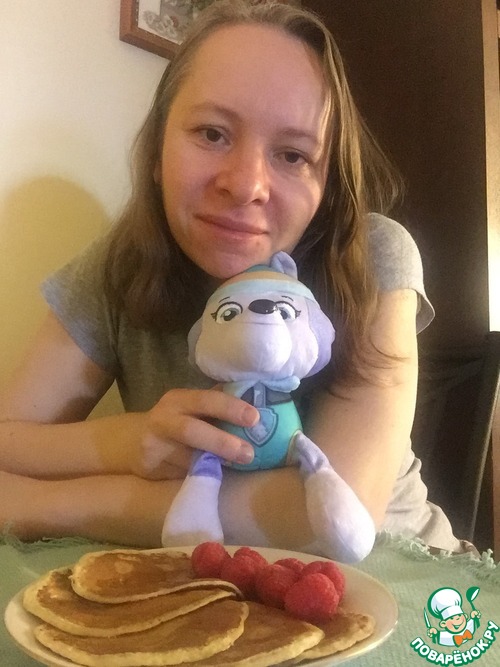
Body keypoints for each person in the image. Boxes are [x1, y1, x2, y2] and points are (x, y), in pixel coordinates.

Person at [0, 0, 465, 556]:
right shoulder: (119, 266)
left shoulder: (372, 257)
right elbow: (8, 440)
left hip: (416, 573)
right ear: (157, 151)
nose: (246, 185)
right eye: (212, 133)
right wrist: (127, 441)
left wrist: (38, 503)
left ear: (326, 184)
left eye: (293, 155)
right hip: (212, 582)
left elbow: (330, 519)